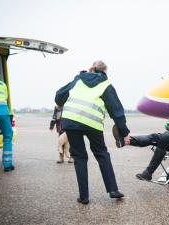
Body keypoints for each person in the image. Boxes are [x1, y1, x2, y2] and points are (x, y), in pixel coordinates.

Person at [55, 60, 131, 205]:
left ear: (91, 69)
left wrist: (62, 102)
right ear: (104, 72)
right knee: (102, 153)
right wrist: (124, 132)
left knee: (79, 157)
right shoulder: (106, 85)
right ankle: (113, 190)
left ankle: (84, 197)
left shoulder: (78, 80)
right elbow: (117, 112)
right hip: (92, 123)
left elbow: (59, 95)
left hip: (71, 121)